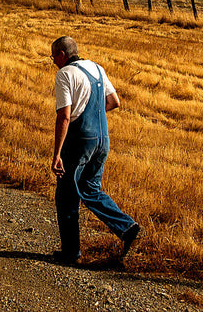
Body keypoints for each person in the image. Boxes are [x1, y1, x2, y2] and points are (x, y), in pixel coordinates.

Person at [50, 35, 140, 265]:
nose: (53, 61)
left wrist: (57, 153)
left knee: (67, 196)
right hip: (102, 139)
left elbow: (64, 116)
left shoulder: (65, 74)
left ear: (62, 55)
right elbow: (114, 102)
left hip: (79, 140)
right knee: (89, 189)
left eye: (53, 56)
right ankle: (126, 227)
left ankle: (71, 253)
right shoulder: (96, 68)